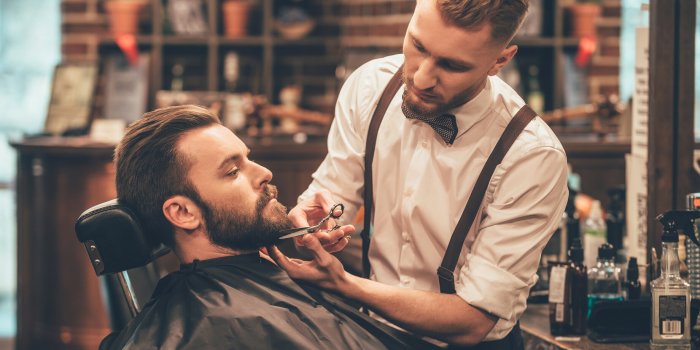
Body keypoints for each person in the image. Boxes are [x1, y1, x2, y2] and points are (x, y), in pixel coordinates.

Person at [270, 0, 569, 348]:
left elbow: (474, 319)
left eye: (452, 65)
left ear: (500, 60)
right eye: (417, 45)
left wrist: (345, 285)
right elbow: (335, 188)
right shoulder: (370, 87)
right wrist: (317, 220)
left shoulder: (531, 155)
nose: (422, 77)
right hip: (371, 334)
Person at [103, 105, 437, 349]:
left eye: (249, 158)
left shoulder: (268, 279)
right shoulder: (213, 329)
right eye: (232, 171)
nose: (264, 172)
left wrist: (342, 283)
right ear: (182, 212)